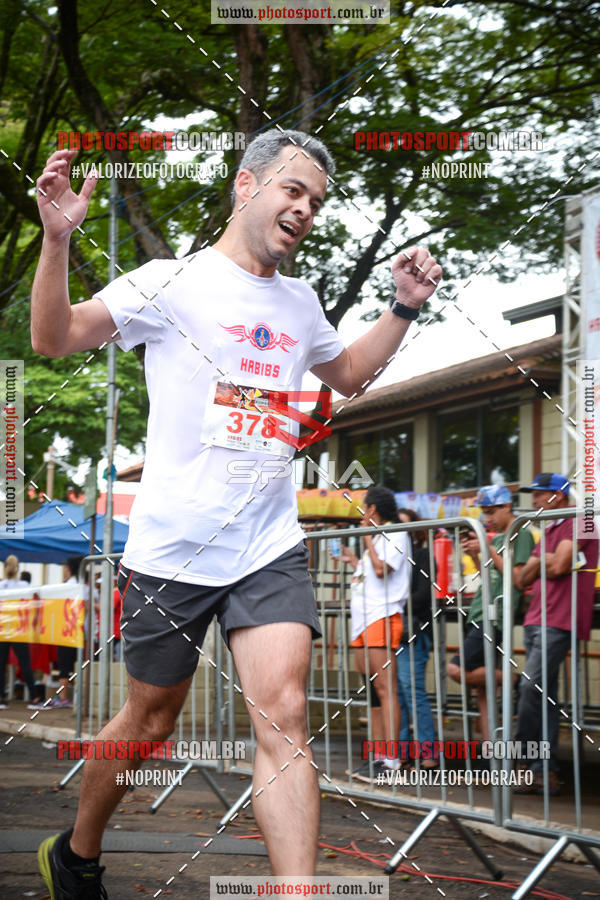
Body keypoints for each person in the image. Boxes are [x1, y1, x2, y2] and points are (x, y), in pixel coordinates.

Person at [32, 129, 442, 895]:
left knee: (285, 713)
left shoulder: (300, 302)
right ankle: (77, 854)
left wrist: (403, 308)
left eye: (316, 200)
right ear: (246, 187)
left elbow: (349, 374)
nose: (306, 209)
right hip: (174, 548)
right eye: (293, 190)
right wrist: (56, 242)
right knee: (151, 720)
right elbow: (53, 337)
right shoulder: (171, 281)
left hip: (266, 544)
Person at [514, 473, 598, 795]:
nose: (533, 501)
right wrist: (544, 562)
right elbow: (522, 579)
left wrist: (542, 563)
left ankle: (524, 760)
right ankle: (544, 771)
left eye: (538, 494)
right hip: (538, 617)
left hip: (560, 619)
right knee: (544, 696)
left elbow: (560, 565)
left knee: (529, 686)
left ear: (557, 496)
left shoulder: (582, 521)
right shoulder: (549, 529)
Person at [447, 485, 534, 744]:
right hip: (480, 610)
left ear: (507, 506)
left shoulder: (520, 533)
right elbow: (488, 574)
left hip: (494, 615)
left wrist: (486, 547)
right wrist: (476, 554)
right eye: (484, 512)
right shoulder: (496, 538)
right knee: (483, 690)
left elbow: (517, 578)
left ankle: (516, 681)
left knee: (456, 669)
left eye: (492, 511)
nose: (488, 518)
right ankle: (492, 752)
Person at [341, 485, 410, 779]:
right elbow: (369, 572)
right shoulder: (379, 536)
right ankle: (378, 756)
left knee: (385, 688)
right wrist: (353, 561)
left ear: (372, 509)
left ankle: (391, 759)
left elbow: (383, 570)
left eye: (363, 507)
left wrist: (367, 538)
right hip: (362, 619)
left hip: (382, 615)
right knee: (371, 691)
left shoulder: (396, 533)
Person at [395, 508, 437, 767]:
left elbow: (424, 594)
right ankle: (402, 752)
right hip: (394, 631)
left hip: (413, 631)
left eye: (403, 526)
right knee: (398, 694)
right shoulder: (392, 557)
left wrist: (391, 604)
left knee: (411, 691)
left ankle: (428, 751)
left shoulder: (422, 555)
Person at [0, 555, 45, 710]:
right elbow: (34, 600)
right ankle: (34, 698)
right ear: (18, 568)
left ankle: (2, 698)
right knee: (25, 663)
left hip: (3, 628)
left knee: (1, 664)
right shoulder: (24, 585)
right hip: (19, 628)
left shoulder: (1, 585)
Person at [49, 556, 83, 709]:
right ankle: (71, 697)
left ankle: (63, 698)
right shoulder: (83, 585)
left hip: (66, 631)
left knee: (65, 666)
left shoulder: (68, 586)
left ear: (69, 569)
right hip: (78, 632)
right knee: (75, 665)